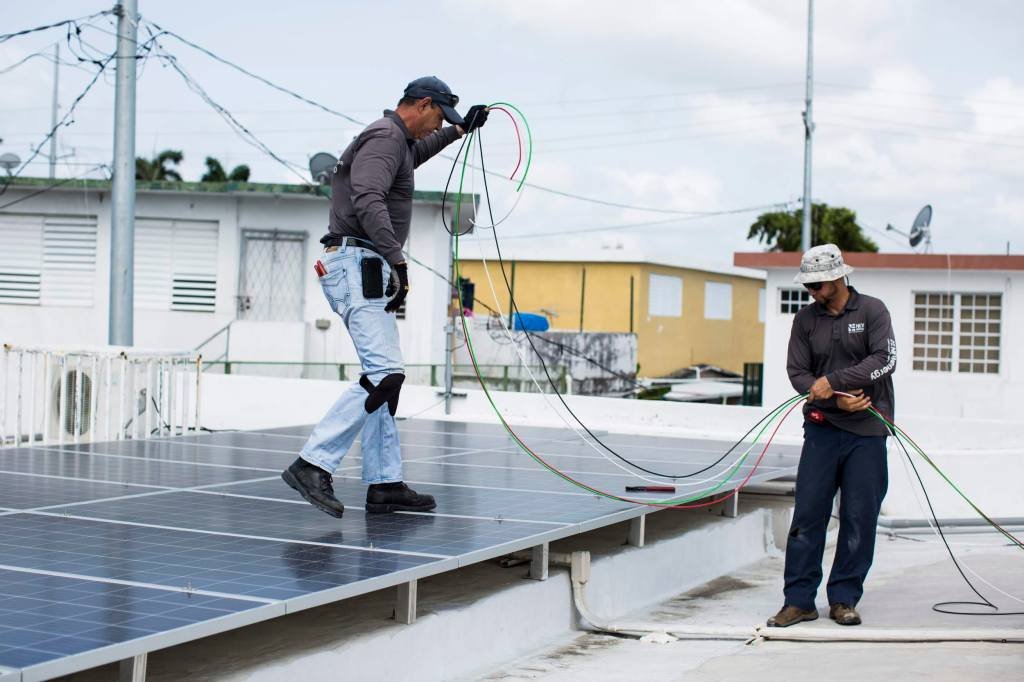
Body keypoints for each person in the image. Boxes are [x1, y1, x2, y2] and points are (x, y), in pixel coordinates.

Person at [282, 77, 489, 517]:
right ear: (424, 104)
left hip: (365, 265)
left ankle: (384, 482)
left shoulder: (397, 141)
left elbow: (418, 151)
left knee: (385, 377)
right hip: (360, 263)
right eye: (439, 117)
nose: (437, 125)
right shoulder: (384, 137)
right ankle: (312, 463)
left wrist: (459, 130)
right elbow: (368, 196)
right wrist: (397, 259)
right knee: (384, 375)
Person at [768, 243, 897, 628]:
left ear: (840, 277)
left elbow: (885, 360)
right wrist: (838, 399)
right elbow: (798, 374)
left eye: (819, 286)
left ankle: (844, 599)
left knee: (860, 517)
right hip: (823, 429)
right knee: (808, 515)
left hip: (868, 432)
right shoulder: (805, 320)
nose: (813, 293)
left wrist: (835, 382)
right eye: (809, 287)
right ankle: (798, 601)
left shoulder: (873, 310)